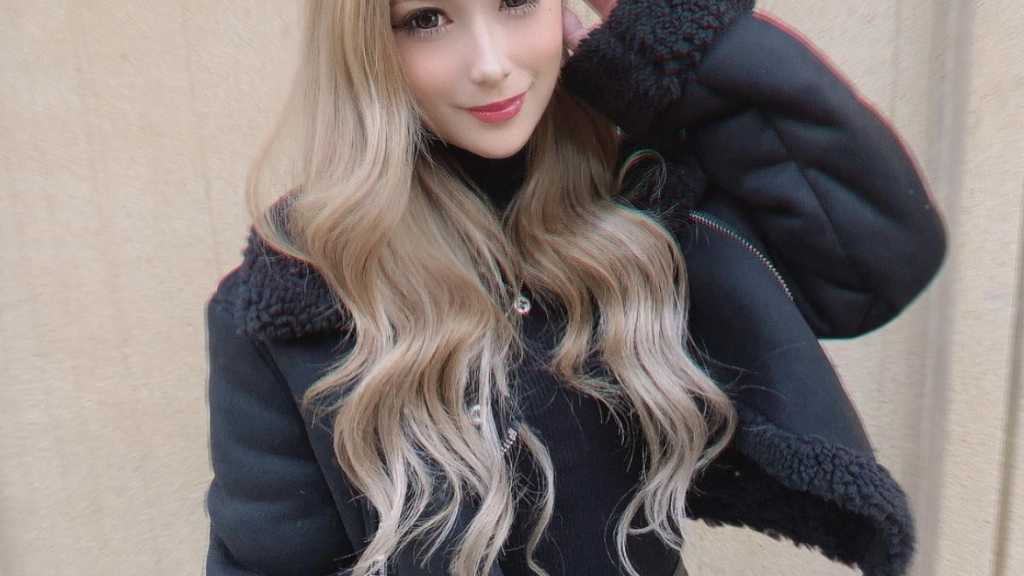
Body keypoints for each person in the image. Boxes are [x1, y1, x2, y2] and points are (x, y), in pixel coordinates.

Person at [203, 0, 947, 575]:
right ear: (368, 44)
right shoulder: (298, 302)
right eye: (427, 19)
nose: (490, 64)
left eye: (516, 1)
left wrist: (657, 25)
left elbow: (877, 258)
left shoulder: (644, 215)